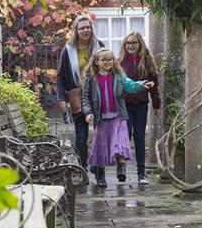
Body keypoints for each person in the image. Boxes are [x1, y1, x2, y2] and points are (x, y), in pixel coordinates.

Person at [82, 48, 154, 188]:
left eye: (110, 59)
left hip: (118, 116)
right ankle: (100, 174)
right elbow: (85, 98)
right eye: (104, 60)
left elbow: (130, 85)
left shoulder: (119, 76)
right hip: (101, 118)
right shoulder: (91, 79)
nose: (108, 62)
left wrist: (142, 84)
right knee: (101, 146)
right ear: (97, 62)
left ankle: (121, 168)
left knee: (120, 142)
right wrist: (88, 112)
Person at [56, 15, 105, 170]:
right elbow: (60, 77)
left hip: (99, 97)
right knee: (81, 138)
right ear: (76, 31)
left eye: (88, 27)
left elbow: (110, 70)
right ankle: (82, 168)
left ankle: (98, 168)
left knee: (100, 136)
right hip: (78, 97)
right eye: (82, 27)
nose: (85, 30)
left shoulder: (100, 46)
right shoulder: (68, 51)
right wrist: (62, 98)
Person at [118, 31, 161, 184]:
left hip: (141, 105)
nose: (130, 45)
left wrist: (156, 104)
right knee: (125, 136)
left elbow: (154, 85)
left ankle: (141, 173)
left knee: (140, 138)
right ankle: (121, 168)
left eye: (134, 43)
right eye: (128, 43)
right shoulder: (120, 62)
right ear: (124, 44)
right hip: (124, 105)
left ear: (140, 44)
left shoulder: (147, 61)